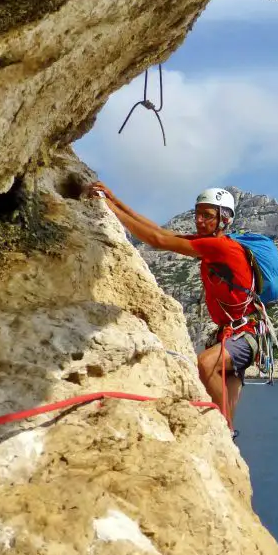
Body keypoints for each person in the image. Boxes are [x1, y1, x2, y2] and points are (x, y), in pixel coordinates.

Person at [84, 181, 255, 435]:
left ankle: (225, 432)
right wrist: (114, 199)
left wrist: (105, 205)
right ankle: (226, 437)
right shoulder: (210, 244)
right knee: (223, 409)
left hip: (245, 333)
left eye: (207, 216)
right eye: (198, 213)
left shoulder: (222, 247)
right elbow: (158, 231)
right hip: (230, 334)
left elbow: (157, 239)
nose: (199, 220)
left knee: (206, 365)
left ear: (225, 220)